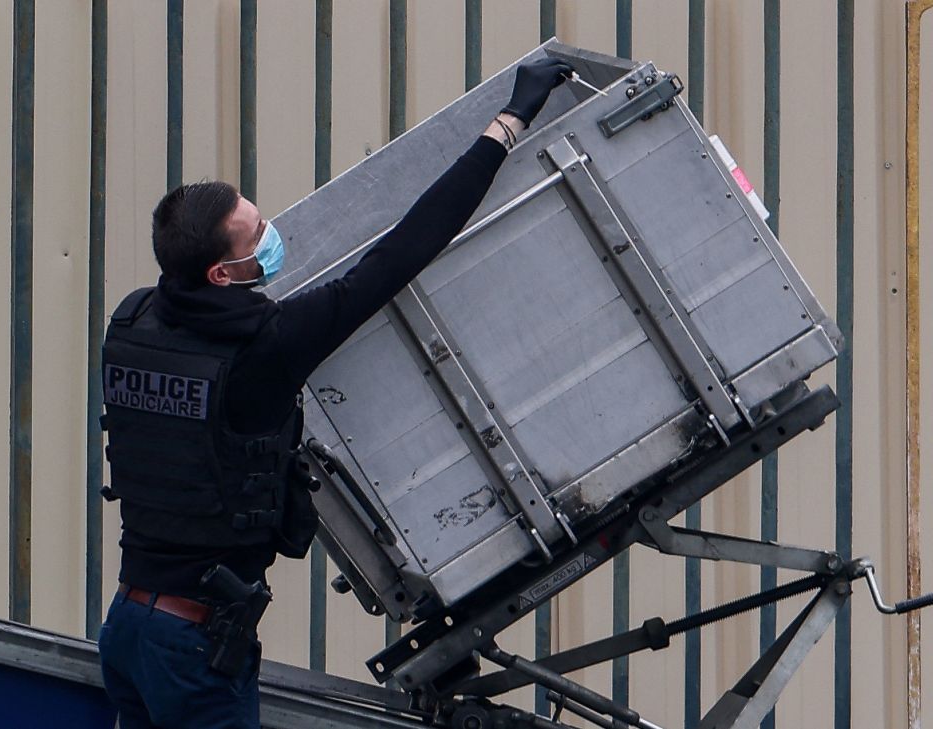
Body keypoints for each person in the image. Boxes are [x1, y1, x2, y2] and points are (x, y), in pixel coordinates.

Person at [96, 57, 574, 729]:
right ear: (223, 271)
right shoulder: (265, 348)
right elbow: (405, 249)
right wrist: (506, 124)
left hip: (128, 629)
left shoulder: (133, 322)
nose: (269, 237)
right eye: (254, 234)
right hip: (193, 646)